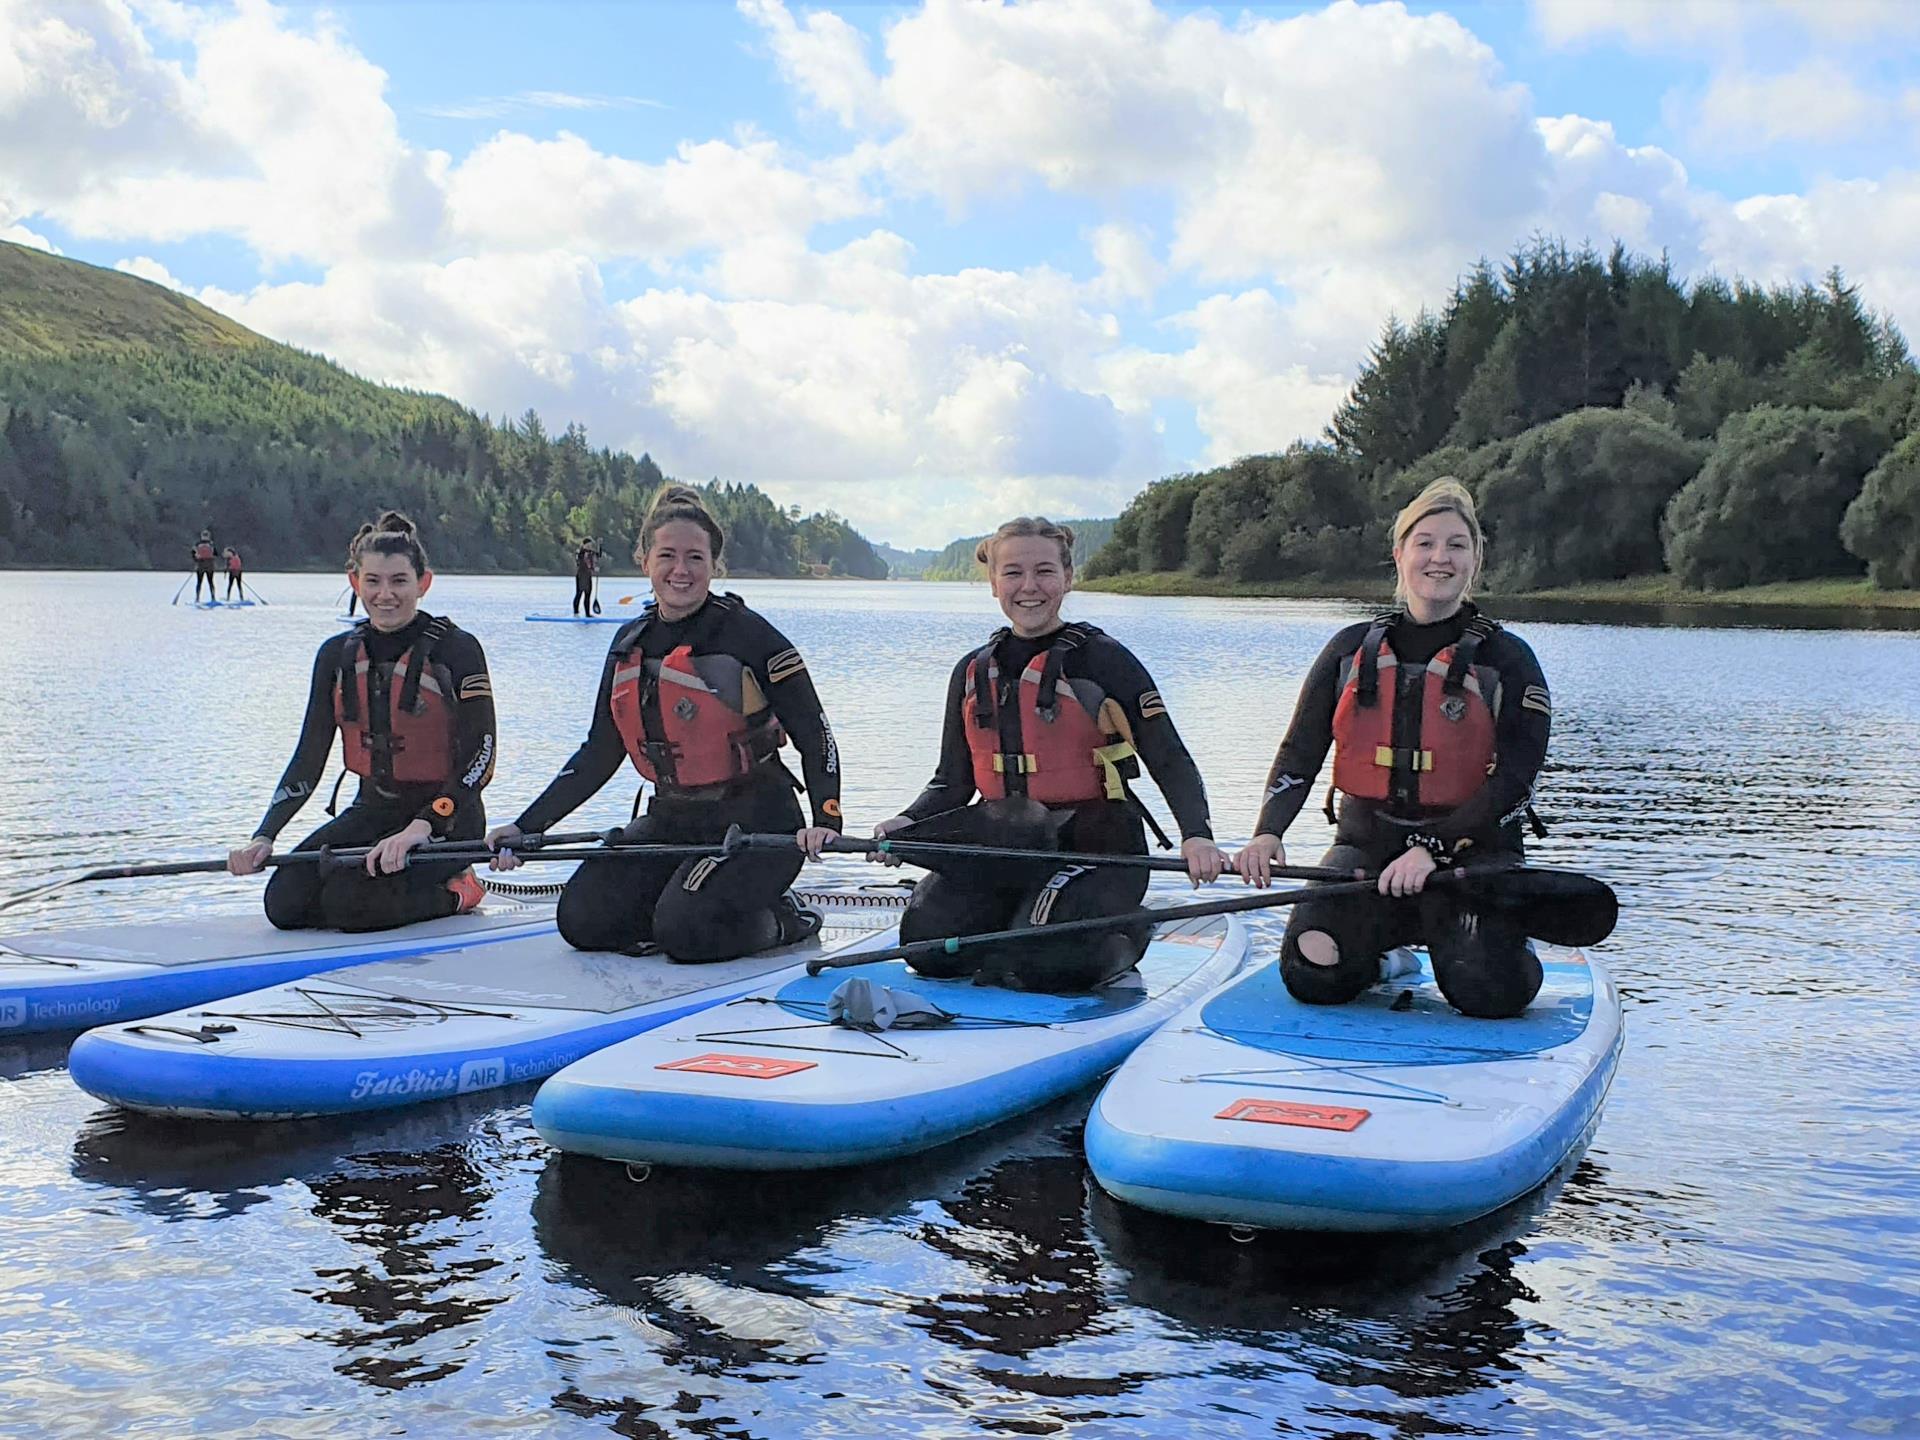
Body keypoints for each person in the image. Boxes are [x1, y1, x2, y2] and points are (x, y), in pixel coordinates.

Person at [1233, 478, 1552, 1019]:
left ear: (1476, 557)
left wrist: (1430, 846)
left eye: (1456, 544)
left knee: (1487, 994)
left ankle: (1499, 943)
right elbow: (1299, 753)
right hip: (1366, 848)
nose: (1440, 558)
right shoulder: (1348, 650)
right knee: (1311, 973)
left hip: (1471, 858)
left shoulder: (1509, 659)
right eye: (1425, 543)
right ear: (1399, 553)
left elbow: (1516, 780)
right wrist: (1268, 832)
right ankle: (1388, 963)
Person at [870, 516, 1228, 992]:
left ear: (1068, 578)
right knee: (926, 949)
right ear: (994, 583)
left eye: (1044, 571)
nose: (1029, 587)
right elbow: (951, 782)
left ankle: (1130, 928)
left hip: (1100, 848)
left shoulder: (1104, 660)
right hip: (1007, 846)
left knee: (1044, 965)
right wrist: (906, 823)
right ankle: (1017, 931)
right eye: (1013, 573)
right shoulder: (973, 670)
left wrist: (1196, 835)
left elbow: (1169, 756)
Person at [488, 485, 841, 960]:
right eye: (668, 555)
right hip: (671, 819)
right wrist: (527, 826)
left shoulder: (751, 635)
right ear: (643, 560)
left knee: (686, 934)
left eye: (695, 557)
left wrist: (826, 818)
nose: (681, 570)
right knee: (581, 920)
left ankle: (785, 917)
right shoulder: (628, 642)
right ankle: (681, 903)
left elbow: (815, 733)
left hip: (758, 822)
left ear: (714, 564)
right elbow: (598, 753)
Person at [226, 512, 495, 932]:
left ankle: (460, 890)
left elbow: (483, 755)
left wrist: (425, 824)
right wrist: (265, 835)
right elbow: (309, 754)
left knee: (351, 903)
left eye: (399, 581)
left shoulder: (458, 650)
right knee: (284, 903)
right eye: (373, 581)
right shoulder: (336, 655)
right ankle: (385, 892)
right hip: (372, 810)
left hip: (449, 820)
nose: (385, 594)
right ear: (355, 582)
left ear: (423, 584)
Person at [343, 522, 372, 617]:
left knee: (355, 590)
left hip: (357, 565)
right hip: (363, 565)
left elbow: (353, 552)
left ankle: (351, 611)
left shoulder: (356, 540)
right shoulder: (367, 541)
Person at [572, 537, 604, 616]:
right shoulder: (580, 552)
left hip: (588, 576)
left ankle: (587, 613)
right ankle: (576, 612)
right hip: (581, 575)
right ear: (584, 545)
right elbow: (580, 561)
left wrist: (599, 545)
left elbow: (599, 555)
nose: (589, 546)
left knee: (588, 594)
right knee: (579, 593)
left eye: (590, 545)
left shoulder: (591, 553)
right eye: (588, 545)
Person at [190, 530, 218, 603]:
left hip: (201, 565)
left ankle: (197, 598)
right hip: (209, 565)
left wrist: (196, 560)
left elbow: (193, 554)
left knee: (200, 582)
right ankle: (213, 597)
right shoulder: (211, 544)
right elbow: (215, 555)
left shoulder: (197, 544)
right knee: (210, 582)